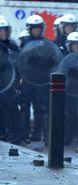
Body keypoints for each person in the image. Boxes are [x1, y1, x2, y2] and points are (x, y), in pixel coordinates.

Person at [18, 14, 50, 144]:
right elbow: (21, 61)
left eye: (39, 28)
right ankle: (23, 134)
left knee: (41, 108)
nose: (37, 30)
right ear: (30, 29)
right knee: (24, 108)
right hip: (27, 80)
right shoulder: (25, 43)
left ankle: (41, 134)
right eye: (34, 28)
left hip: (41, 81)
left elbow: (50, 61)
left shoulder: (46, 43)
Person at [0, 16, 21, 144]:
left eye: (5, 30)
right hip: (1, 84)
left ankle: (15, 135)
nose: (3, 33)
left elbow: (20, 62)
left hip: (11, 84)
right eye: (0, 31)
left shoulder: (13, 46)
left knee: (13, 110)